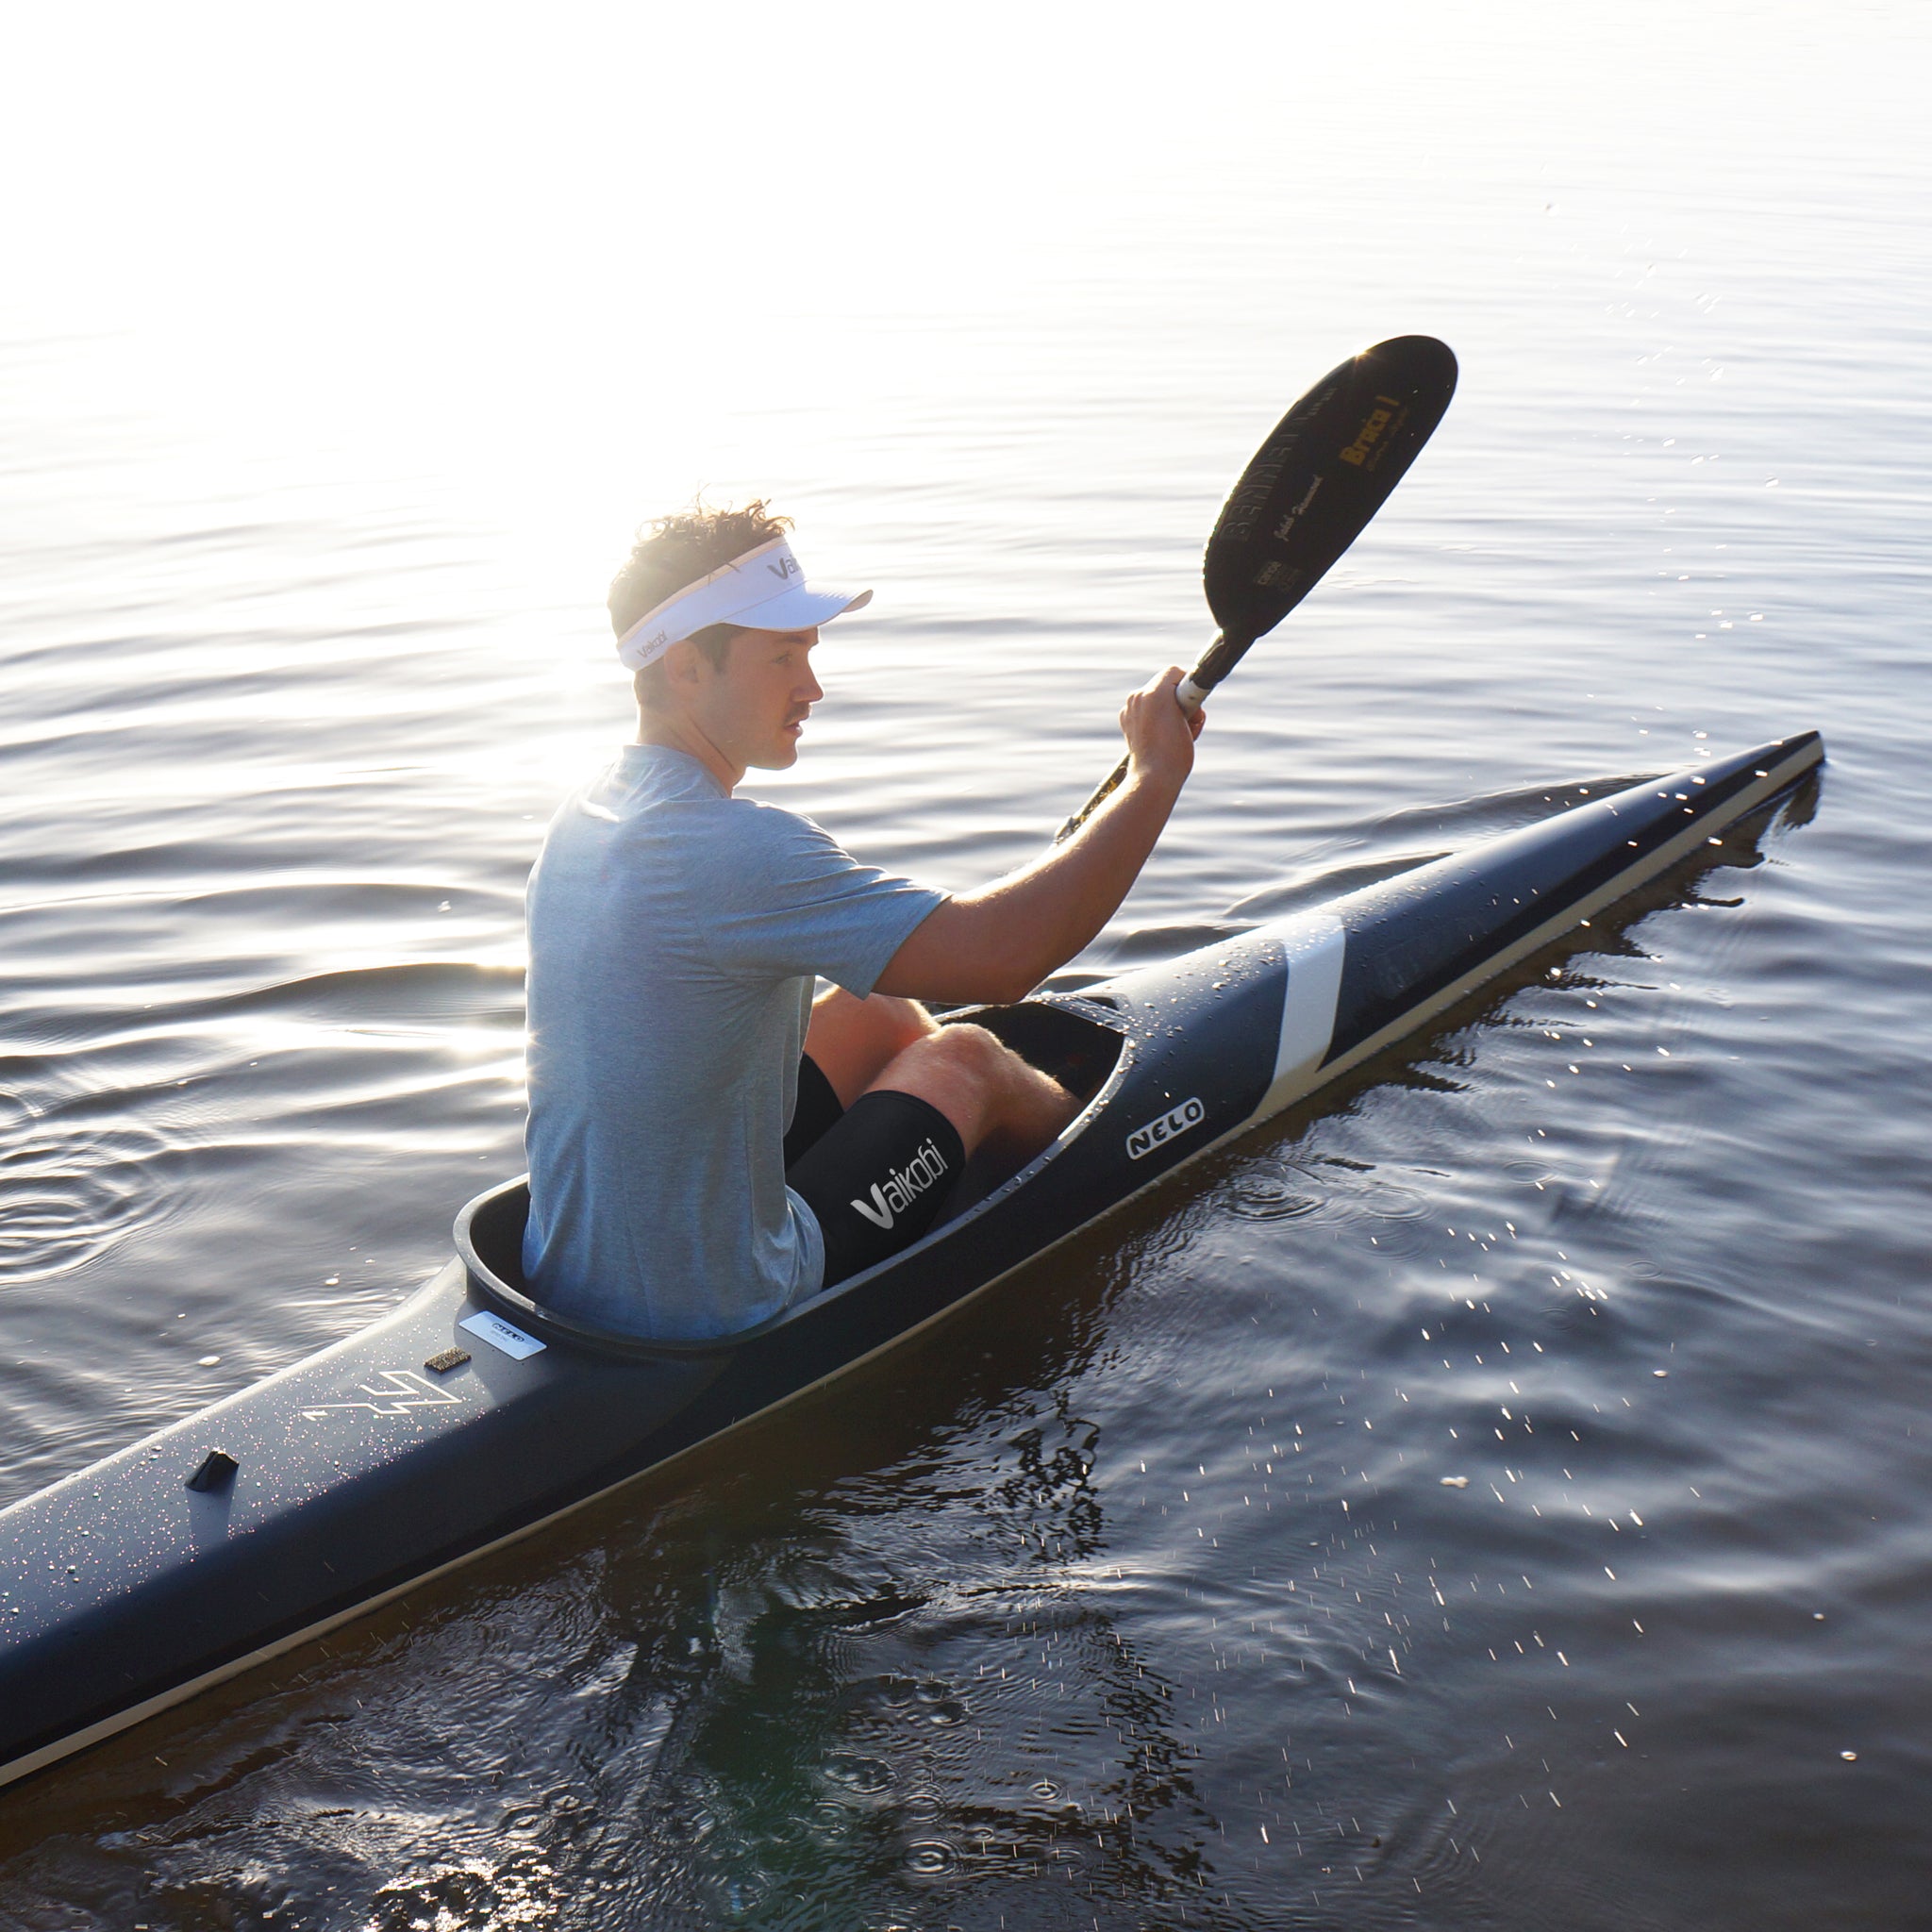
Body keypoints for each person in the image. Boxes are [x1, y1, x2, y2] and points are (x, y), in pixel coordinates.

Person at [522, 502, 1204, 1341]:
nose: (812, 686)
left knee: (876, 1009)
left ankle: (951, 1165)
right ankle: (1118, 1180)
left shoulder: (587, 812)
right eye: (782, 656)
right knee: (968, 1057)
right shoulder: (733, 851)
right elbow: (1003, 962)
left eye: (809, 652)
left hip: (567, 1267)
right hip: (713, 1306)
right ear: (686, 670)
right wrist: (1153, 778)